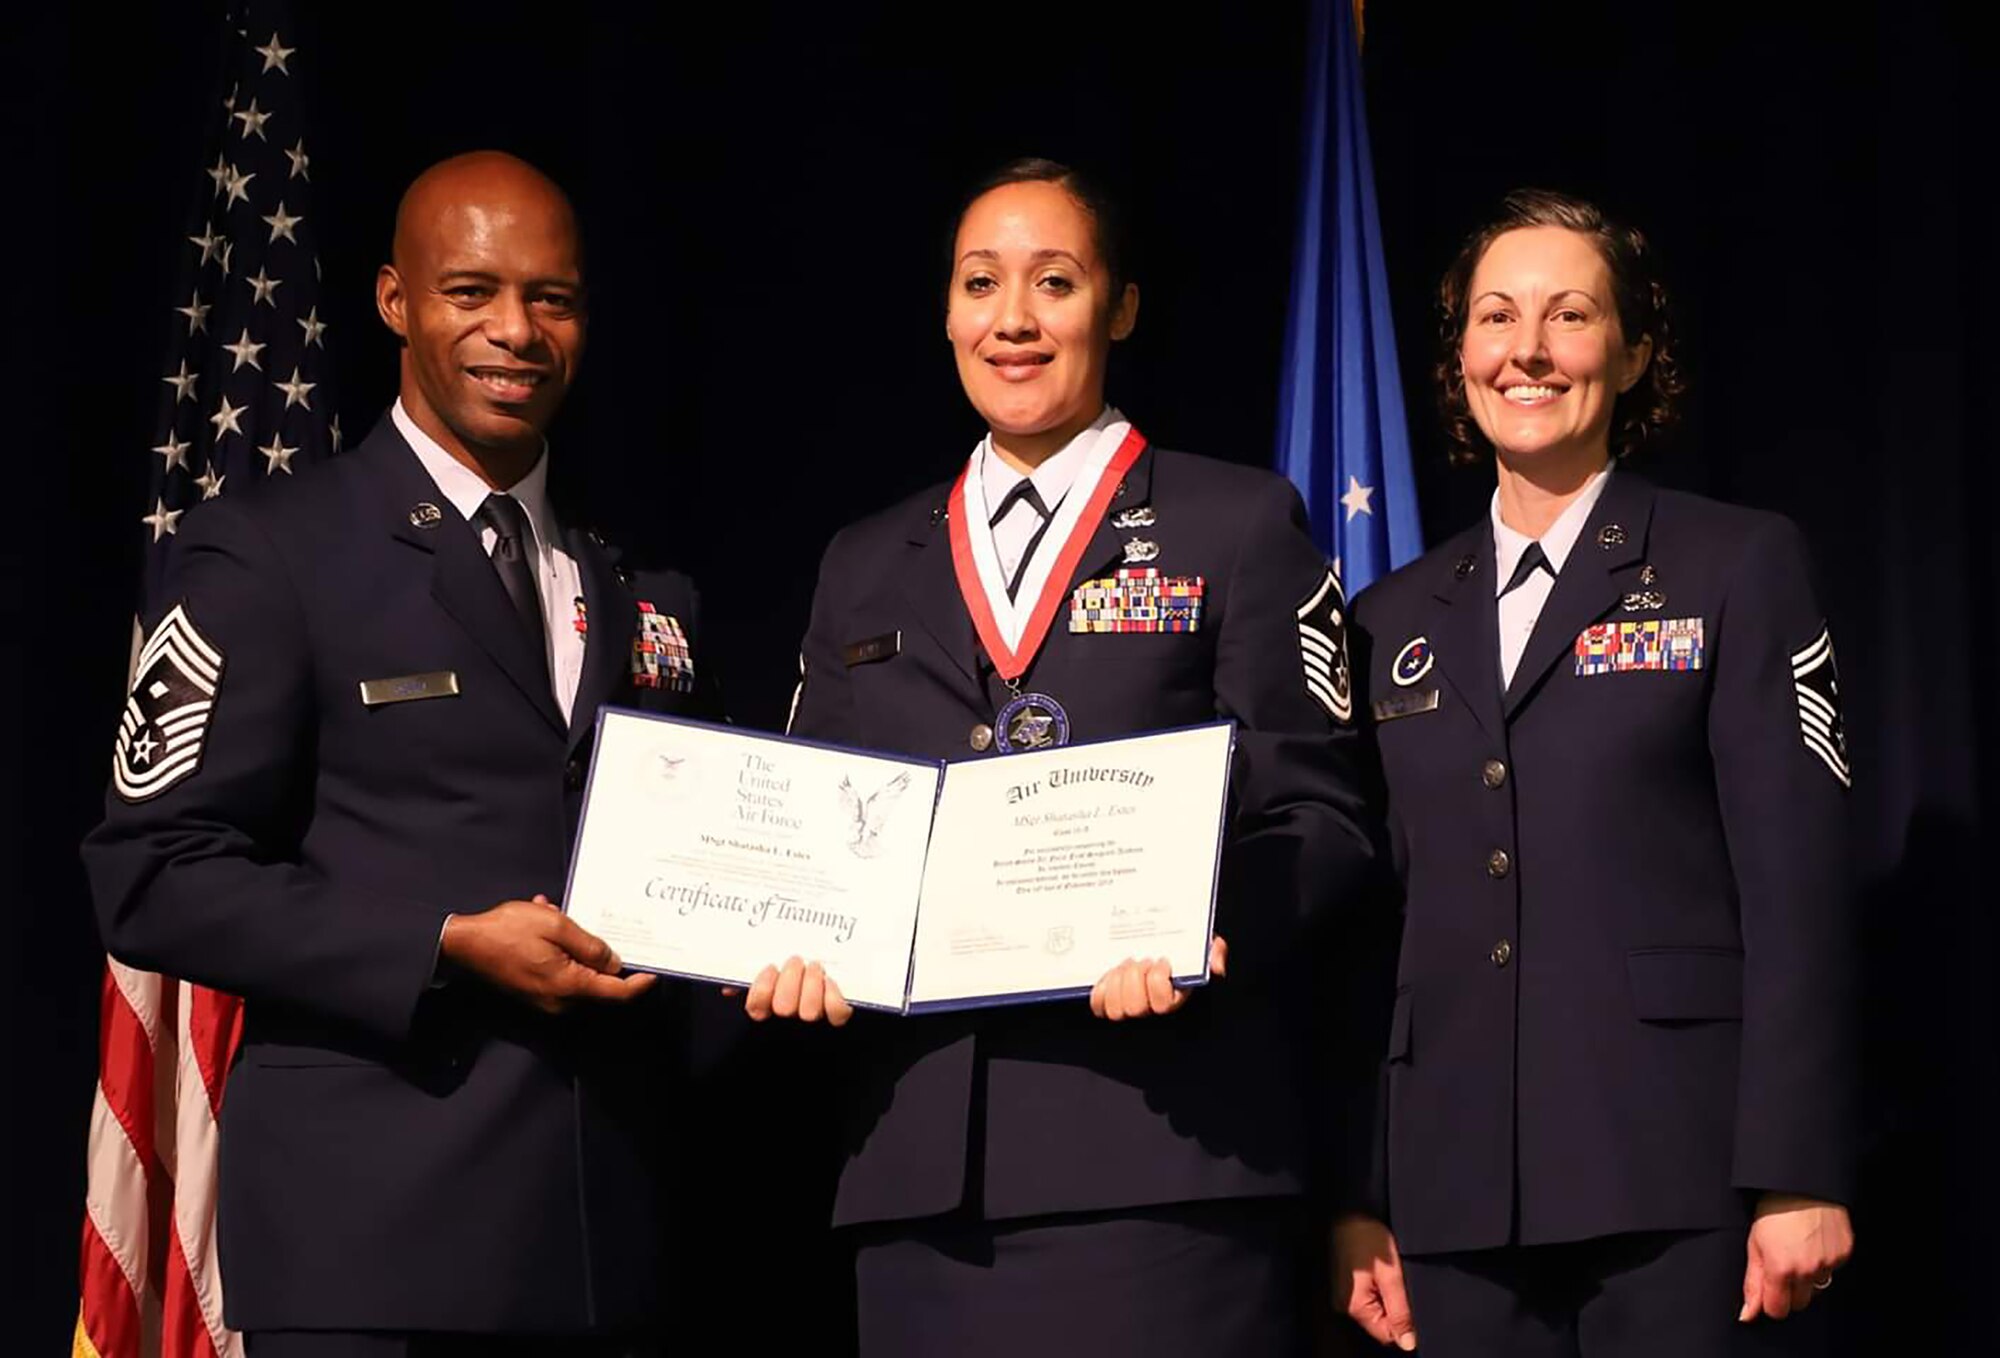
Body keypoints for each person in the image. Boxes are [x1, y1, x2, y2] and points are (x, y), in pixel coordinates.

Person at [82, 151, 716, 1357]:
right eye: (470, 291)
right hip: (373, 1256)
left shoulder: (640, 583)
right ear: (394, 302)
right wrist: (441, 945)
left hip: (612, 1253)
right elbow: (151, 872)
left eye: (553, 299)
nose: (515, 331)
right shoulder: (268, 553)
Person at [743, 157, 1375, 1356]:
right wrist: (782, 939)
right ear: (944, 309)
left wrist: (1200, 923)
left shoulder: (1234, 524)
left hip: (1163, 1157)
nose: (1013, 319)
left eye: (1054, 281)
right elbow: (814, 826)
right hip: (919, 1178)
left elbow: (1323, 814)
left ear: (1119, 306)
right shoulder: (862, 561)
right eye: (981, 283)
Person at [1334, 188, 1857, 1357]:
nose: (1525, 349)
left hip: (1676, 1173)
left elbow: (1796, 888)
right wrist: (1362, 1190)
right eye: (1493, 317)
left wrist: (1794, 1170)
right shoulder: (1387, 616)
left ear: (1630, 354)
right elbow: (1372, 928)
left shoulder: (1733, 562)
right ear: (1458, 354)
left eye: (1568, 316)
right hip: (1452, 1189)